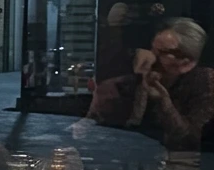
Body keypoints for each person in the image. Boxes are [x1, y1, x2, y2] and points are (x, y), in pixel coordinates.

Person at [80, 18, 214, 150]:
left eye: (163, 52)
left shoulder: (204, 80)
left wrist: (163, 103)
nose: (152, 57)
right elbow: (99, 123)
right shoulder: (136, 79)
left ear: (187, 60)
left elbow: (191, 141)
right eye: (153, 49)